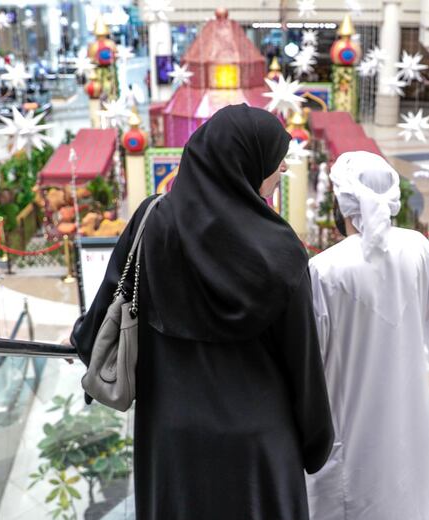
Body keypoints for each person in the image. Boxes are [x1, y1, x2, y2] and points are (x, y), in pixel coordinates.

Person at [72, 104, 333, 520]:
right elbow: (302, 364)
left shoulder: (151, 222)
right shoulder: (283, 253)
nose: (283, 168)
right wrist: (315, 443)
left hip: (171, 442)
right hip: (258, 448)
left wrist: (85, 342)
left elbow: (103, 312)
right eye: (275, 161)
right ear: (246, 164)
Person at [306, 151, 429, 520]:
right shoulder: (418, 247)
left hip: (347, 428)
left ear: (343, 203)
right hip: (407, 418)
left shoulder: (324, 269)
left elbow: (311, 355)